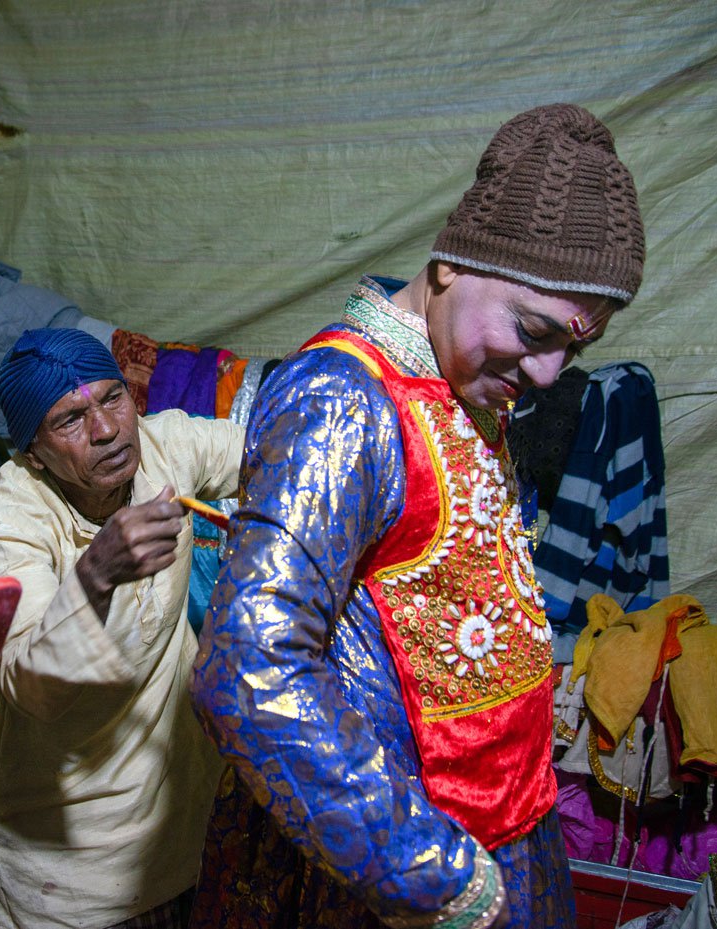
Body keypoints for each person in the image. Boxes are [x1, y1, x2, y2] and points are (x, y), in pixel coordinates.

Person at [189, 103, 647, 928]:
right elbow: (247, 668)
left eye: (571, 350)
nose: (548, 373)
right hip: (396, 858)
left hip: (502, 824)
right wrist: (427, 873)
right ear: (448, 267)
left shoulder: (469, 391)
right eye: (532, 329)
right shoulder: (343, 398)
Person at [0, 327, 244, 929]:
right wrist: (94, 575)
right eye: (69, 420)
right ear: (32, 453)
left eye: (113, 399)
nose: (107, 430)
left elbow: (281, 448)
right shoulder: (9, 513)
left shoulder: (167, 447)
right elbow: (31, 686)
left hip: (183, 817)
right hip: (66, 865)